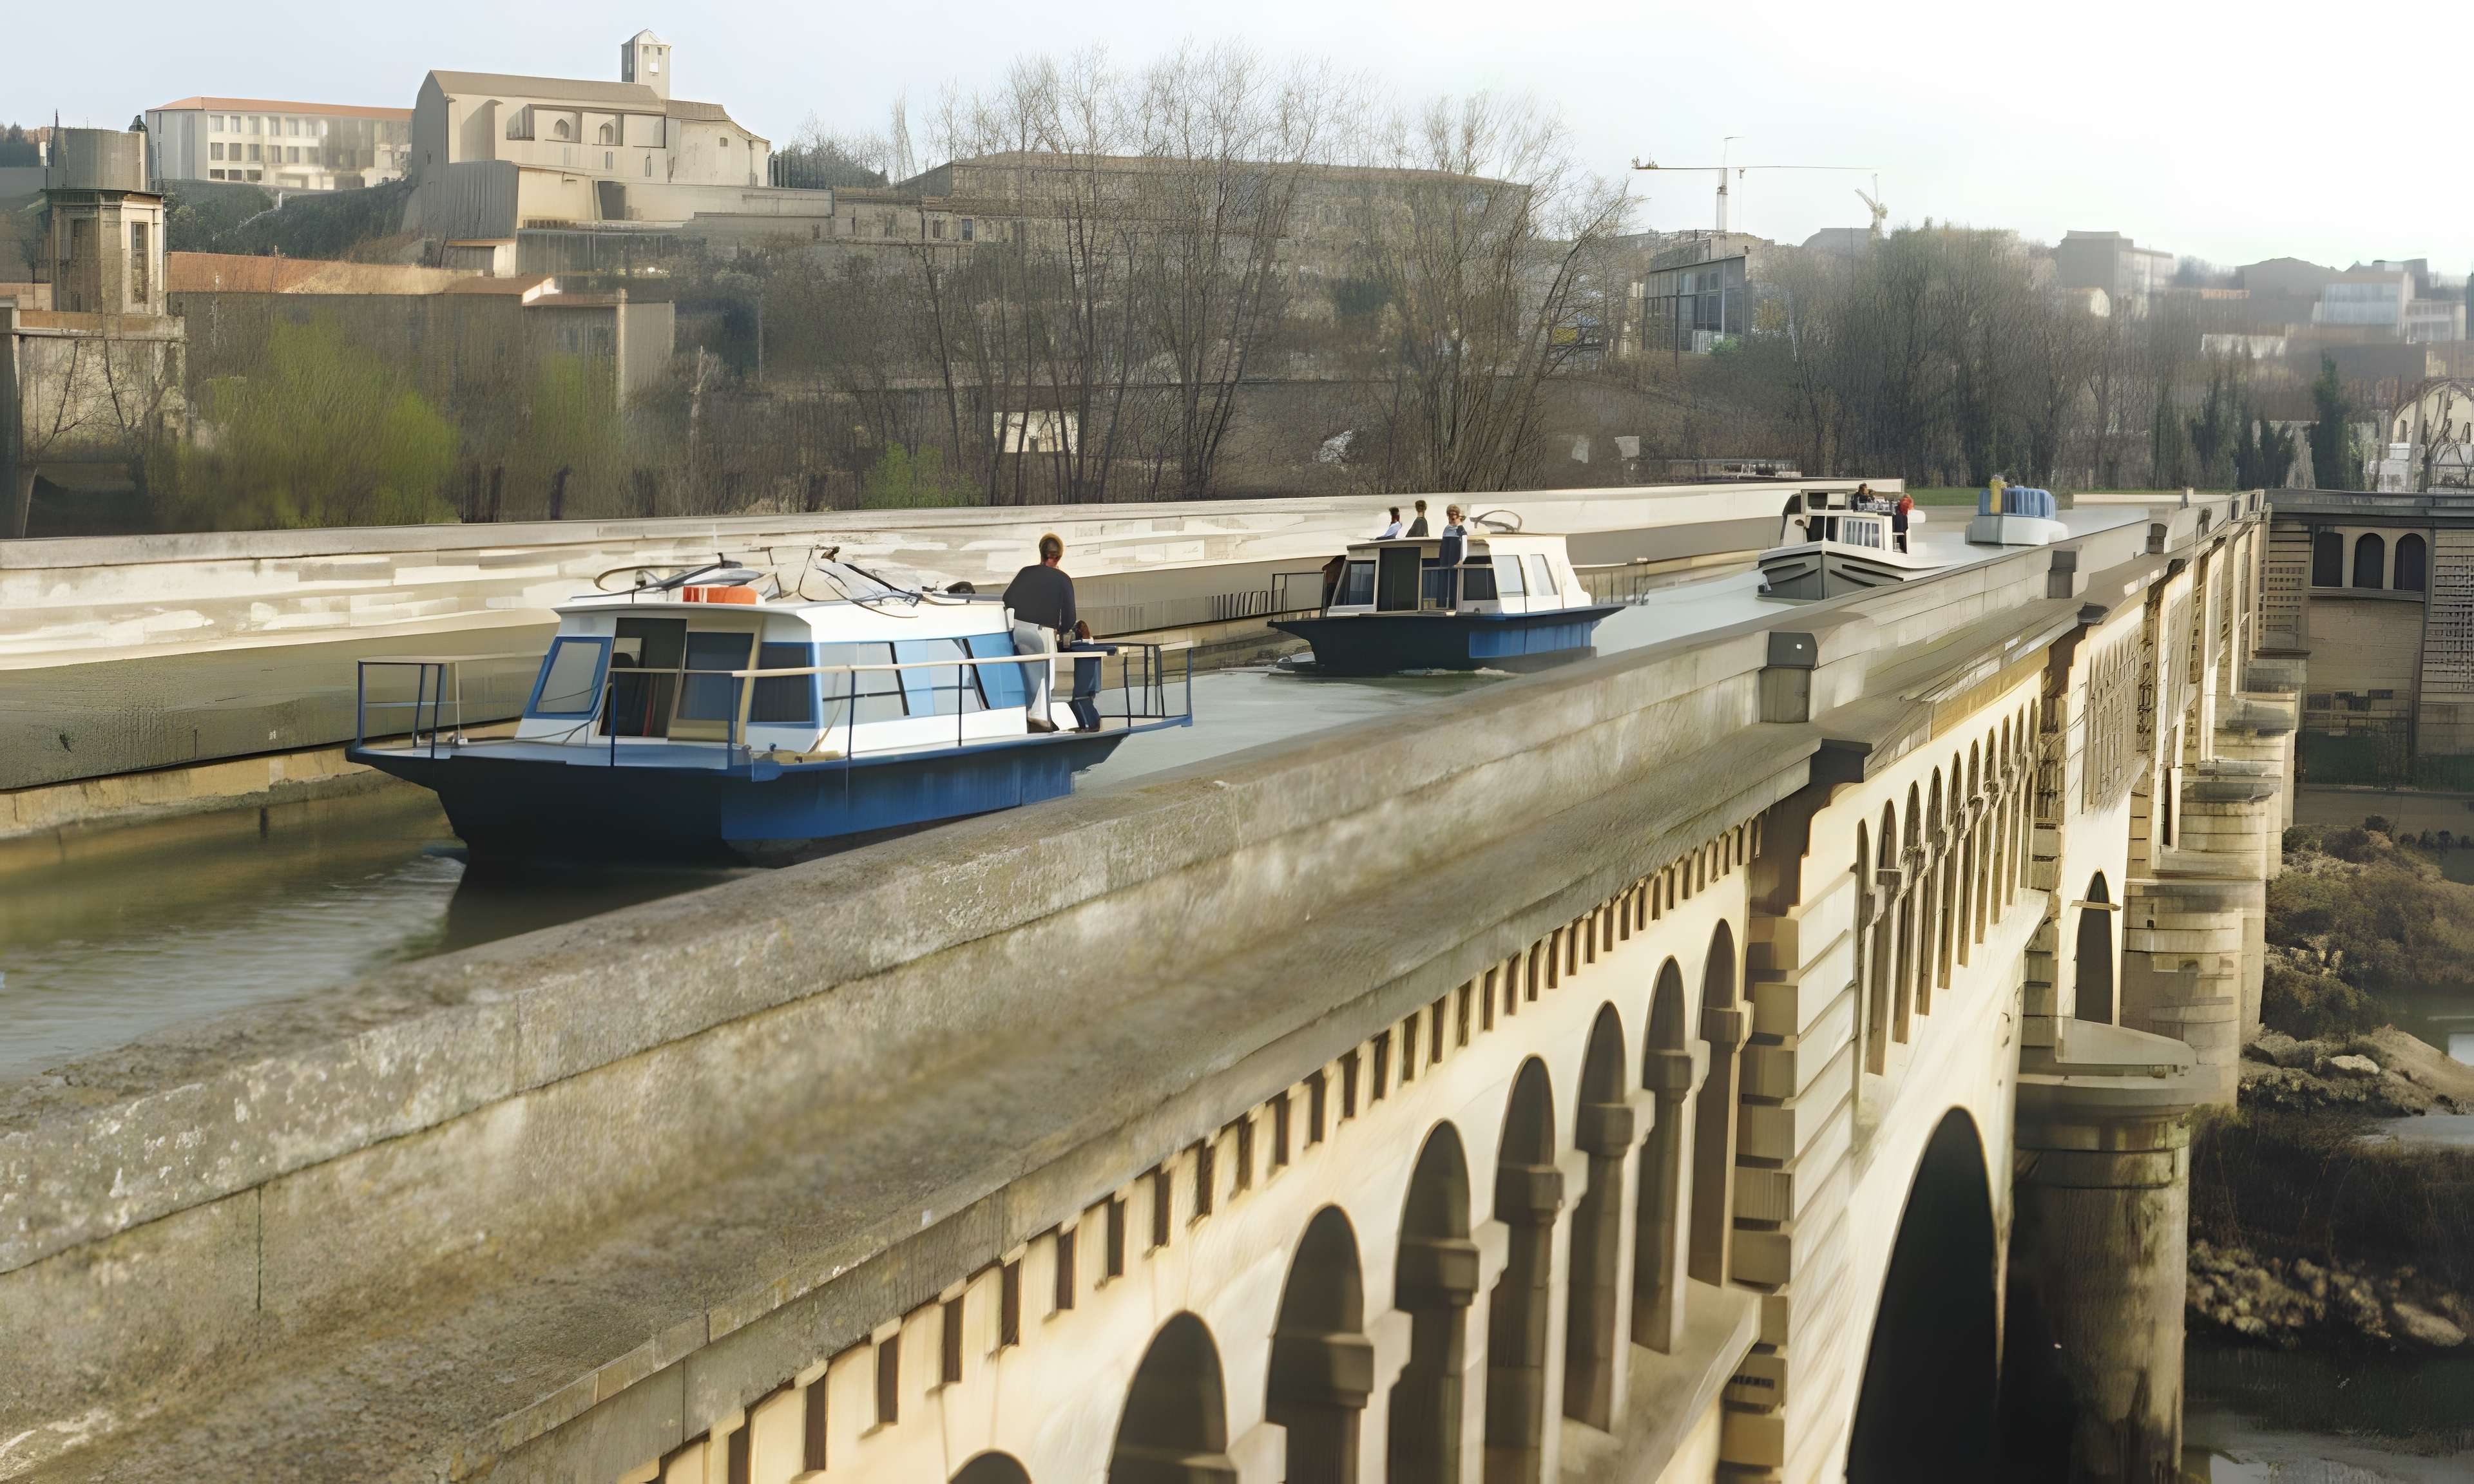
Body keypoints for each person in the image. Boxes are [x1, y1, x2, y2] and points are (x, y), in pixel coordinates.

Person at [1002, 532, 1076, 732]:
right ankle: (1040, 719)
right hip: (1041, 632)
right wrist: (1063, 631)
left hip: (1017, 629)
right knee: (1045, 677)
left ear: (1041, 554)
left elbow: (1007, 599)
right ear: (1059, 556)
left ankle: (1024, 712)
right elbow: (1069, 616)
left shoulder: (1025, 572)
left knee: (1027, 674)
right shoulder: (1063, 580)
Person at [1063, 620, 1117, 733]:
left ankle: (1092, 724)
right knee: (1079, 701)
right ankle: (1087, 725)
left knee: (1082, 701)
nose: (1085, 629)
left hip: (1086, 682)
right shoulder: (1079, 646)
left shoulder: (1083, 646)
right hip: (1082, 682)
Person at [1893, 489, 1915, 553]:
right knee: (1905, 536)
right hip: (1906, 521)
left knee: (1901, 536)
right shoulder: (1909, 502)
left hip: (1902, 522)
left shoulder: (1902, 503)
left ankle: (1903, 548)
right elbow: (1910, 510)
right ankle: (1905, 549)